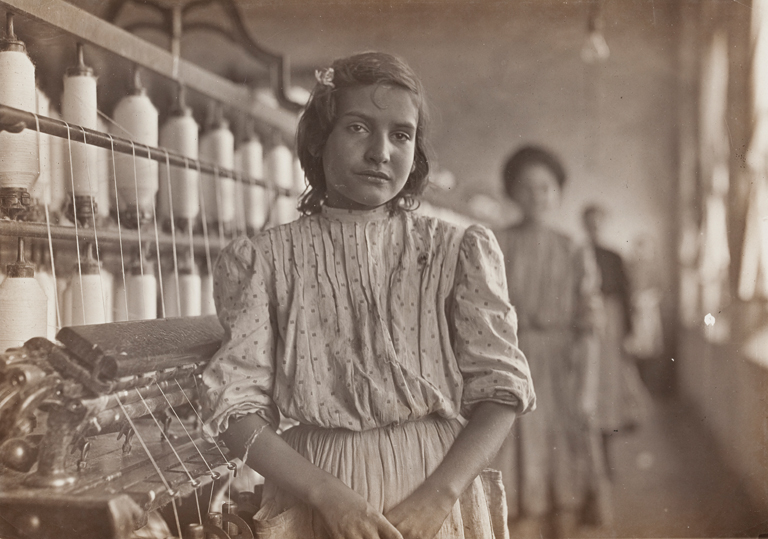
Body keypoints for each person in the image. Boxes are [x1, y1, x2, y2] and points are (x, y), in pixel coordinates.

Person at [201, 52, 536, 539]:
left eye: (401, 134)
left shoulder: (455, 251)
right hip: (316, 493)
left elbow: (502, 392)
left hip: (435, 490)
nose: (381, 151)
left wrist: (438, 498)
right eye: (358, 128)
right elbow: (234, 410)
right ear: (320, 139)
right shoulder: (264, 260)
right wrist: (326, 495)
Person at [492, 146, 606, 538]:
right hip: (511, 365)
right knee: (514, 460)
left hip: (561, 370)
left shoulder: (572, 248)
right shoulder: (496, 242)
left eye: (545, 188)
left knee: (565, 464)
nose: (536, 197)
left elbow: (589, 325)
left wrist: (587, 390)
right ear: (511, 193)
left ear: (558, 193)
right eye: (526, 188)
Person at [582, 205, 650, 473]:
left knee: (609, 382)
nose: (594, 228)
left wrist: (629, 331)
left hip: (612, 323)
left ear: (604, 224)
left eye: (599, 223)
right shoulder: (577, 252)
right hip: (587, 324)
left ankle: (607, 448)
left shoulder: (613, 256)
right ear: (584, 225)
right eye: (590, 223)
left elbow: (626, 295)